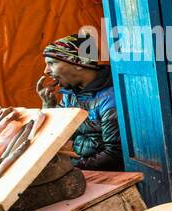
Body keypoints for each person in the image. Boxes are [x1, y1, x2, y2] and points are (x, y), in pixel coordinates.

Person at [36, 34, 123, 171]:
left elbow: (114, 154)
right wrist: (48, 107)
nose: (46, 71)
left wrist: (70, 168)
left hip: (110, 172)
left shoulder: (110, 97)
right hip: (85, 164)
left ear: (78, 64)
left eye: (52, 63)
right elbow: (55, 135)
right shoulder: (71, 94)